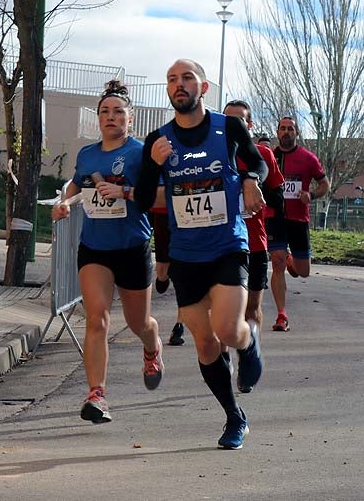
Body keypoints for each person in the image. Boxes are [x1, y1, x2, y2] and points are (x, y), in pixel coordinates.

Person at [135, 59, 265, 450]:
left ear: (203, 87)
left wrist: (249, 178)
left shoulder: (228, 128)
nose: (179, 84)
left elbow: (256, 159)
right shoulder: (158, 139)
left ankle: (248, 341)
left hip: (228, 245)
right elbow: (142, 198)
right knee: (206, 344)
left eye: (187, 78)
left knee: (227, 330)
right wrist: (153, 165)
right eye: (171, 79)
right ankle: (234, 418)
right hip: (186, 255)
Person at [51, 80, 163, 424]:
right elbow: (75, 185)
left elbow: (158, 198)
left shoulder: (141, 153)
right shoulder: (88, 154)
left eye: (118, 112)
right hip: (95, 247)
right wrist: (64, 202)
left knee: (137, 322)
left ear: (130, 118)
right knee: (97, 318)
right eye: (104, 112)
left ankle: (152, 345)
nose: (111, 117)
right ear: (98, 118)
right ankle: (97, 394)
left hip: (132, 246)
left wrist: (125, 192)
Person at [222, 101, 285, 380]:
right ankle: (225, 362)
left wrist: (253, 197)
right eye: (226, 121)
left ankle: (250, 351)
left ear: (249, 126)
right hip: (221, 244)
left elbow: (276, 194)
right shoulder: (211, 155)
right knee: (222, 310)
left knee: (251, 308)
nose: (232, 127)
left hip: (255, 243)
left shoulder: (262, 155)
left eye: (238, 121)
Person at [268, 115, 330, 332]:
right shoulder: (269, 156)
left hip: (298, 219)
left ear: (297, 133)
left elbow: (325, 184)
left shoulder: (308, 158)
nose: (286, 132)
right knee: (276, 262)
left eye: (290, 129)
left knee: (303, 272)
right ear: (277, 132)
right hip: (274, 218)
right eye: (282, 128)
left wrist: (311, 195)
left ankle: (292, 260)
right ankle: (281, 315)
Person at [151, 208, 186, 346]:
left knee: (183, 274)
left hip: (189, 218)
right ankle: (163, 277)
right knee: (162, 272)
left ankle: (179, 325)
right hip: (163, 212)